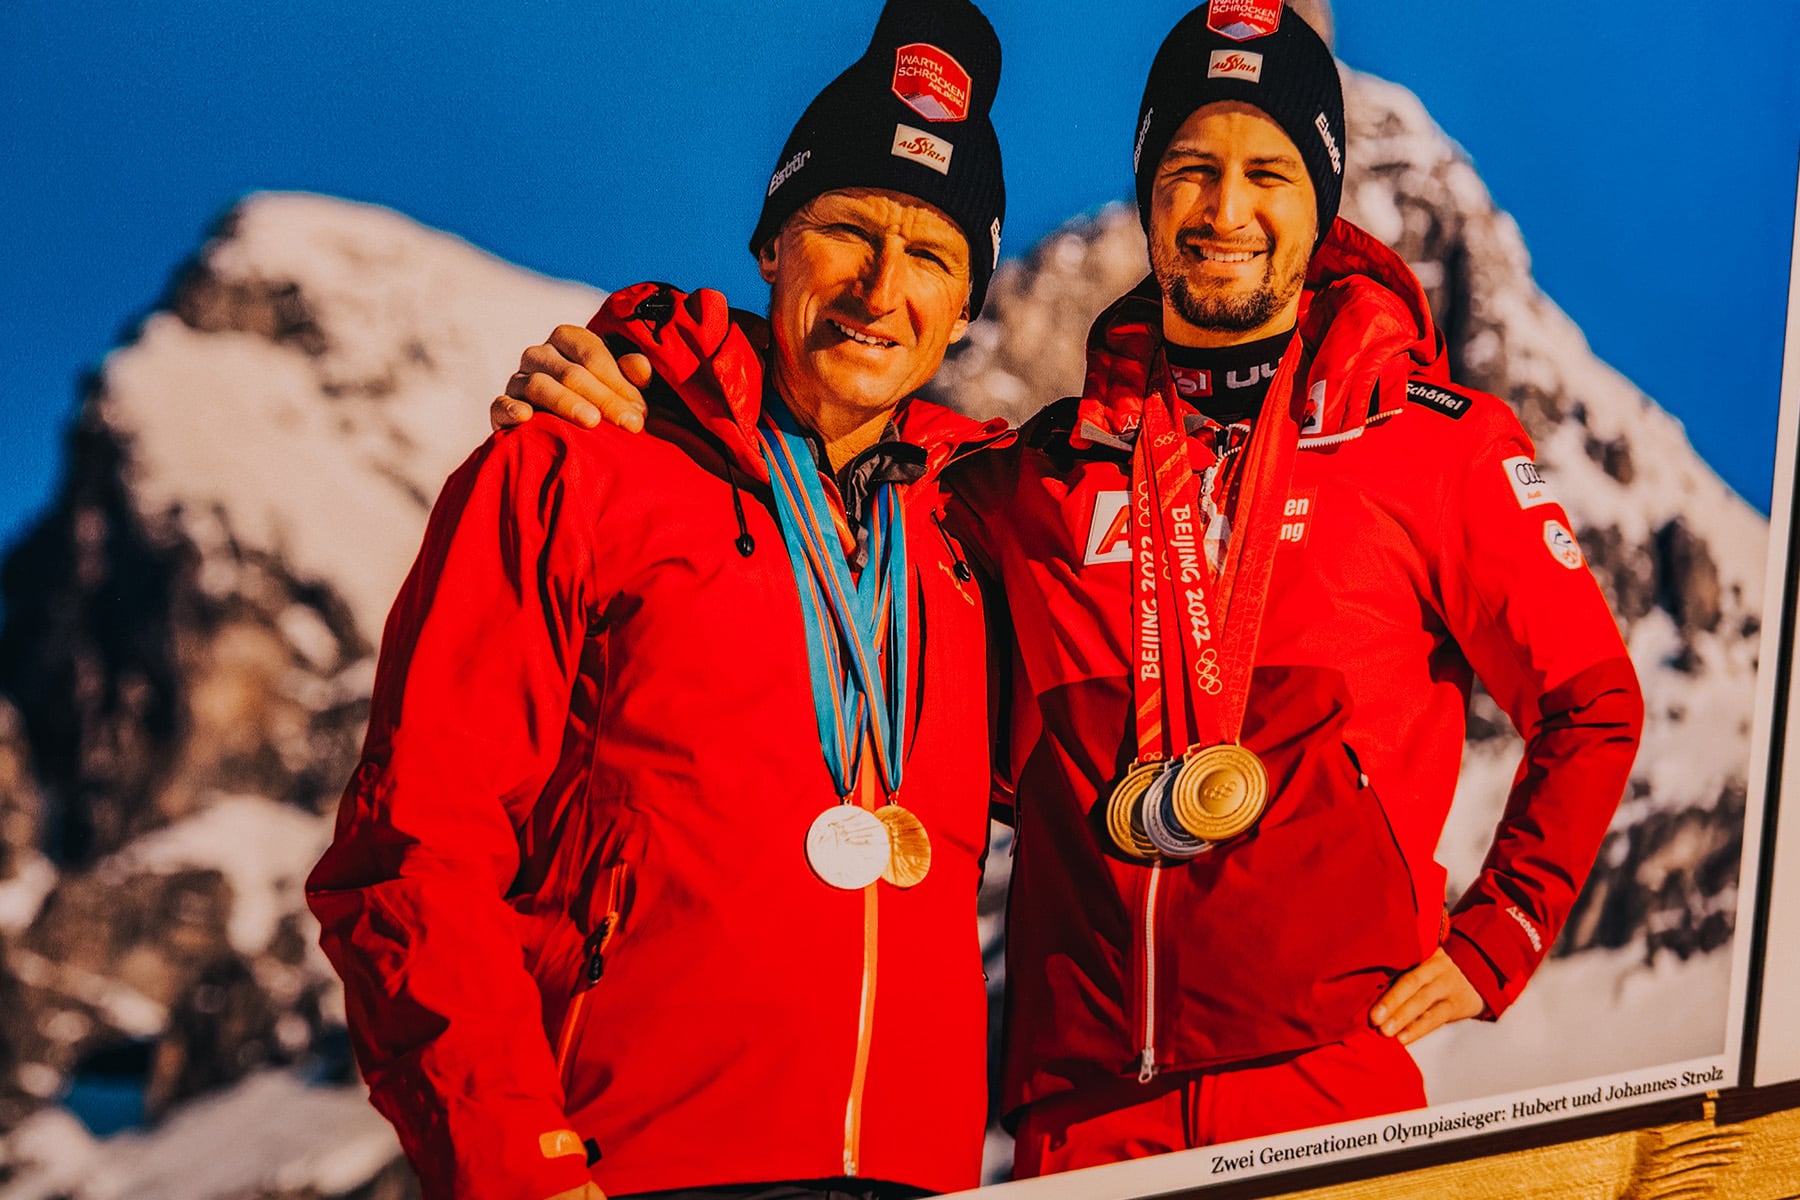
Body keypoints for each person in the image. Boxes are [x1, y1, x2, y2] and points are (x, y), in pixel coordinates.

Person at [495, 0, 1643, 1179]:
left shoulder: (1430, 446)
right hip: (1075, 1118)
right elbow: (836, 435)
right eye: (1190, 167)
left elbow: (1594, 700)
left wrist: (1504, 932)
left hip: (1329, 1093)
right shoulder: (1034, 475)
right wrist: (649, 365)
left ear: (1324, 199)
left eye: (1270, 171)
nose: (1225, 208)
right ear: (1148, 191)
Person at [305, 3, 1010, 1199]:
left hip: (915, 1180)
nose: (882, 288)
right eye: (845, 231)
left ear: (963, 307)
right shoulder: (577, 461)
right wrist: (514, 1166)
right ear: (771, 246)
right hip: (628, 1171)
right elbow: (414, 849)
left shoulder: (972, 535)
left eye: (934, 257)